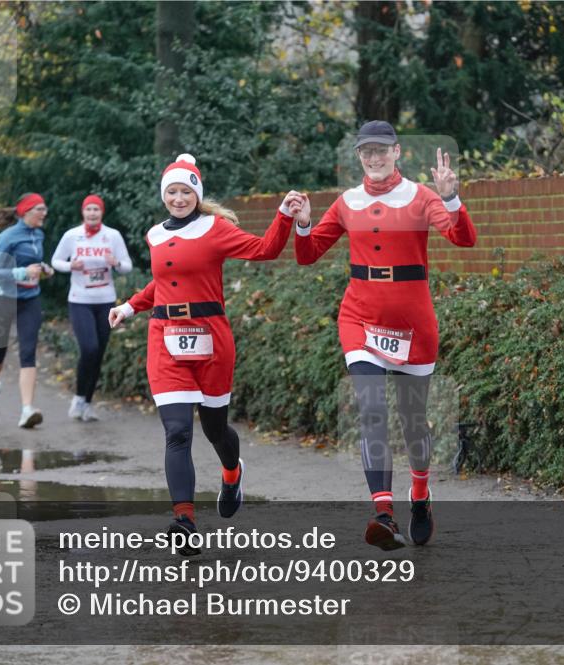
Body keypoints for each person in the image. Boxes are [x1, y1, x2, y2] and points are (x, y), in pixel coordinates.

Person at [292, 121, 477, 549]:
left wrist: (451, 196)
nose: (373, 159)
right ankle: (383, 512)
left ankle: (420, 492)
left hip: (413, 325)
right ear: (359, 157)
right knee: (371, 410)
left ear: (396, 152)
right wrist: (303, 225)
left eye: (381, 151)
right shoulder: (347, 202)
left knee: (413, 422)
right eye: (365, 152)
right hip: (360, 318)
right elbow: (308, 255)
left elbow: (463, 239)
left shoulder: (420, 196)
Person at [109, 154, 301, 555]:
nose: (178, 198)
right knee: (177, 432)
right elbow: (163, 284)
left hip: (211, 339)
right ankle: (184, 520)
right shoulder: (155, 235)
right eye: (172, 192)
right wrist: (129, 306)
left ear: (197, 194)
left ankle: (232, 472)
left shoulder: (216, 229)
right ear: (165, 196)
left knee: (215, 430)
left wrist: (284, 215)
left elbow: (265, 249)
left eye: (185, 191)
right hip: (165, 338)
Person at [51, 194, 133, 421]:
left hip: (106, 300)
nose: (92, 213)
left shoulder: (112, 236)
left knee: (99, 353)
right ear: (83, 212)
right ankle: (78, 397)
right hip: (80, 300)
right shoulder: (72, 236)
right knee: (89, 348)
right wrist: (71, 265)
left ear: (102, 212)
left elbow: (127, 266)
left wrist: (115, 263)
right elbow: (56, 261)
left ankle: (86, 403)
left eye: (96, 209)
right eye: (89, 210)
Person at [0, 192, 55, 428]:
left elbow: (30, 262)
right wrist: (22, 273)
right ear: (26, 212)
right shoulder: (8, 237)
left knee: (28, 352)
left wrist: (42, 268)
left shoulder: (38, 234)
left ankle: (27, 410)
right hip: (4, 299)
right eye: (39, 209)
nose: (45, 213)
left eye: (44, 208)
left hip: (30, 299)